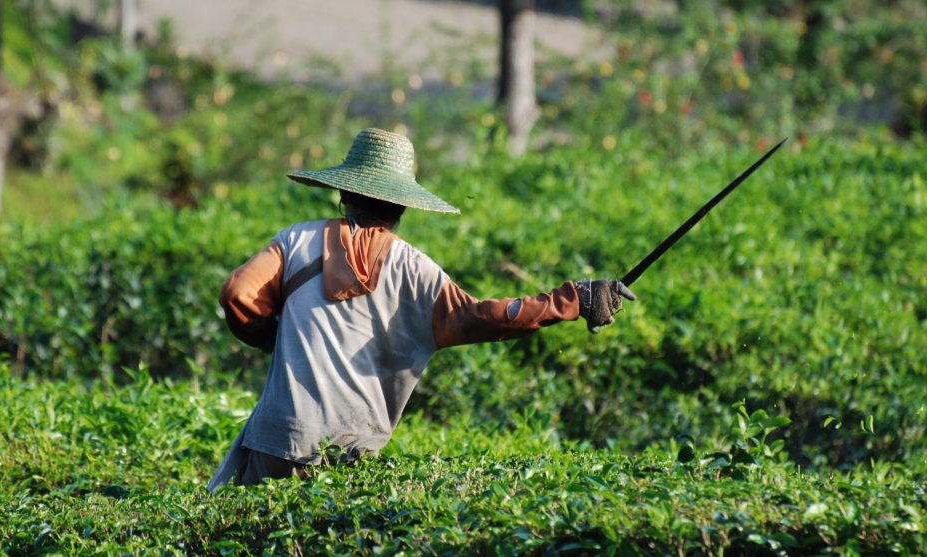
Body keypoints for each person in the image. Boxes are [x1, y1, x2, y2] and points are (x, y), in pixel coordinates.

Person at [207, 128, 636, 489]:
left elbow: (238, 296)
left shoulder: (294, 241)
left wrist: (270, 338)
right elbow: (484, 317)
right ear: (402, 204)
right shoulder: (416, 269)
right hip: (354, 447)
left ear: (343, 191)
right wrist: (574, 299)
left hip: (280, 435)